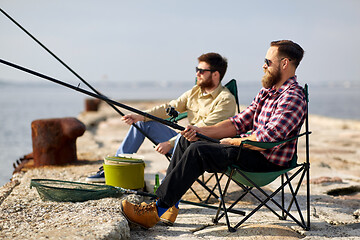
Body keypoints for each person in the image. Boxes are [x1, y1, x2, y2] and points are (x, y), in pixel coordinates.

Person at [120, 40, 307, 229]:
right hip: (248, 149)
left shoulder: (292, 97)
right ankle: (166, 205)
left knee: (198, 151)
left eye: (268, 61)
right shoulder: (267, 92)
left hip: (266, 159)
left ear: (284, 63)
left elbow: (268, 138)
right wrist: (199, 131)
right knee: (188, 140)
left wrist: (232, 142)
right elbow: (239, 122)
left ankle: (154, 210)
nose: (263, 65)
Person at [86, 52, 237, 184]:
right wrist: (141, 116)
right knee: (143, 124)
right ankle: (115, 167)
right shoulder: (194, 92)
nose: (197, 74)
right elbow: (170, 108)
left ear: (215, 74)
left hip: (204, 148)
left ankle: (164, 194)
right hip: (184, 141)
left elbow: (202, 129)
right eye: (196, 70)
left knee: (190, 135)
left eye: (201, 71)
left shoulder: (225, 100)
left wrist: (171, 144)